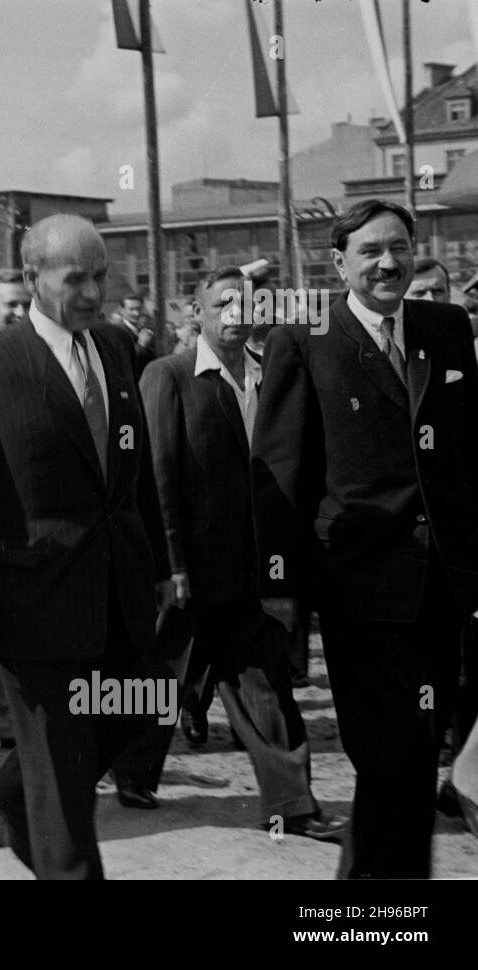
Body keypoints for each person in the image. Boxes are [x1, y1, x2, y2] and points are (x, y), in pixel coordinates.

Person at [0, 214, 173, 879]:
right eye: (76, 279)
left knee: (137, 713)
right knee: (65, 782)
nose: (93, 292)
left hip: (119, 587)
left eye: (101, 276)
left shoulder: (117, 348)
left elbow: (135, 469)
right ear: (34, 277)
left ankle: (10, 787)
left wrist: (160, 567)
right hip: (33, 599)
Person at [252, 198, 478, 878]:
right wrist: (279, 583)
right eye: (372, 251)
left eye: (400, 247)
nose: (389, 262)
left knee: (411, 753)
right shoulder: (306, 338)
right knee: (391, 753)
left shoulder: (445, 326)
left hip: (442, 583)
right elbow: (282, 469)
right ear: (339, 262)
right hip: (357, 584)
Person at [127, 266, 347, 840]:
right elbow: (158, 476)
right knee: (160, 679)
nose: (236, 312)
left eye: (246, 302)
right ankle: (130, 769)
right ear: (194, 313)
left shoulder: (269, 376)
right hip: (189, 572)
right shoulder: (168, 375)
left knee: (263, 684)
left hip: (252, 572)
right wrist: (168, 563)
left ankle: (290, 805)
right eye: (222, 302)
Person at [116, 290, 156, 379]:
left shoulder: (144, 330)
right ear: (121, 310)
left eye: (139, 309)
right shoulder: (117, 332)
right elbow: (123, 361)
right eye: (132, 309)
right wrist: (141, 345)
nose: (136, 313)